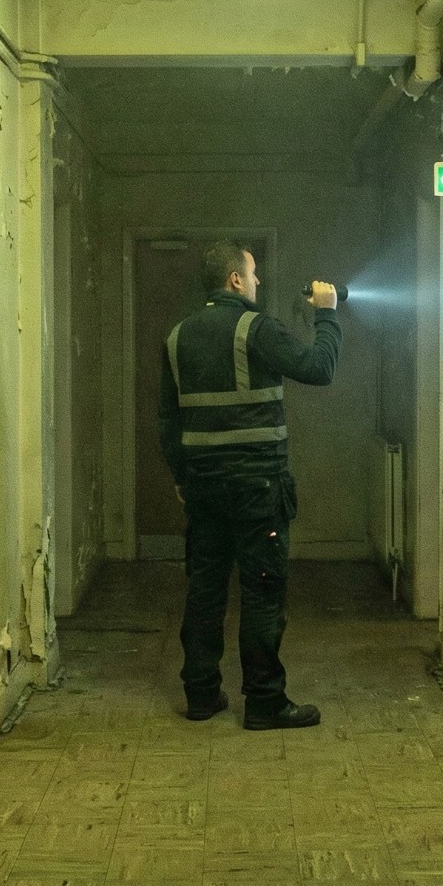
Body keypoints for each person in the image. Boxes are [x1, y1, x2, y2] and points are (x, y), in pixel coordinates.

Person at [158, 240, 341, 729]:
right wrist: (327, 314)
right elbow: (319, 369)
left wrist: (181, 476)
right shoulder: (255, 328)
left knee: (206, 590)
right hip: (257, 487)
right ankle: (264, 702)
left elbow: (166, 420)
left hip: (203, 488)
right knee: (262, 590)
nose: (258, 281)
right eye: (253, 273)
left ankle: (201, 696)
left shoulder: (177, 336)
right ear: (235, 279)